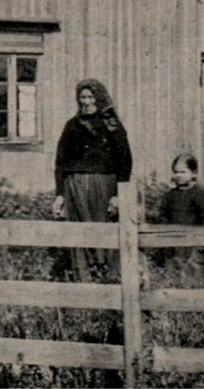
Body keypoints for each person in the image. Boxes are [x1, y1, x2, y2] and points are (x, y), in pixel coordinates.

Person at [53, 79, 132, 282]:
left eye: (90, 97)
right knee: (79, 233)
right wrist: (60, 194)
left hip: (103, 187)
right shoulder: (71, 126)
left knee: (105, 230)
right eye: (82, 98)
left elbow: (124, 160)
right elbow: (60, 162)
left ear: (99, 99)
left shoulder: (112, 125)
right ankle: (83, 278)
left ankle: (109, 278)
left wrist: (118, 194)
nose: (86, 102)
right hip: (75, 188)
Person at [158, 153, 204, 288]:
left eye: (183, 172)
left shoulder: (199, 194)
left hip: (196, 242)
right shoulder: (170, 195)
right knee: (176, 272)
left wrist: (202, 242)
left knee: (200, 275)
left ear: (193, 173)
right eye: (176, 172)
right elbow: (163, 215)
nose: (178, 175)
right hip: (174, 242)